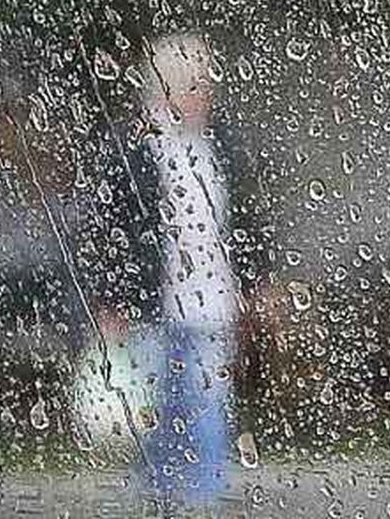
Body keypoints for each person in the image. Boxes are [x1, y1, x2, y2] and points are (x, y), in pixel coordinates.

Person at [140, 33, 240, 510]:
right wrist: (114, 299)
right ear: (169, 90)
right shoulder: (144, 150)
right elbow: (117, 227)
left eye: (207, 84)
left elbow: (237, 225)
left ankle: (204, 498)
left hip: (209, 305)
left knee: (205, 410)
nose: (207, 95)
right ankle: (160, 496)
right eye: (196, 85)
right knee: (161, 415)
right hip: (156, 306)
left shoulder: (215, 148)